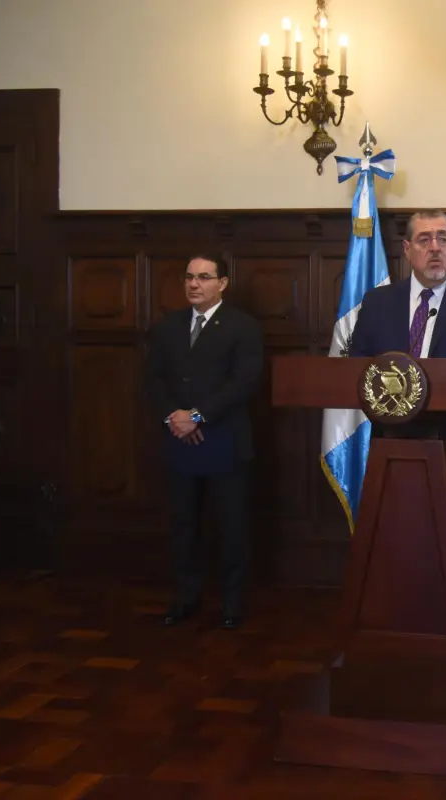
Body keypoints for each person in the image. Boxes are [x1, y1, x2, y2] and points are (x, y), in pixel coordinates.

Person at [347, 209, 446, 602]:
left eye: (443, 239)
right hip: (395, 447)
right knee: (399, 545)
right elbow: (358, 370)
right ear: (406, 249)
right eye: (424, 239)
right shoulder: (378, 301)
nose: (435, 248)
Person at [144, 253, 264, 630]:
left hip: (224, 440)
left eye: (204, 277)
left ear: (222, 283)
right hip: (180, 439)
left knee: (230, 526)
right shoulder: (169, 327)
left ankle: (232, 603)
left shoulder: (242, 327)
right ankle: (185, 597)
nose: (194, 284)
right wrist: (174, 418)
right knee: (183, 525)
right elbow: (153, 380)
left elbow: (244, 382)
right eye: (189, 277)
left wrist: (197, 415)